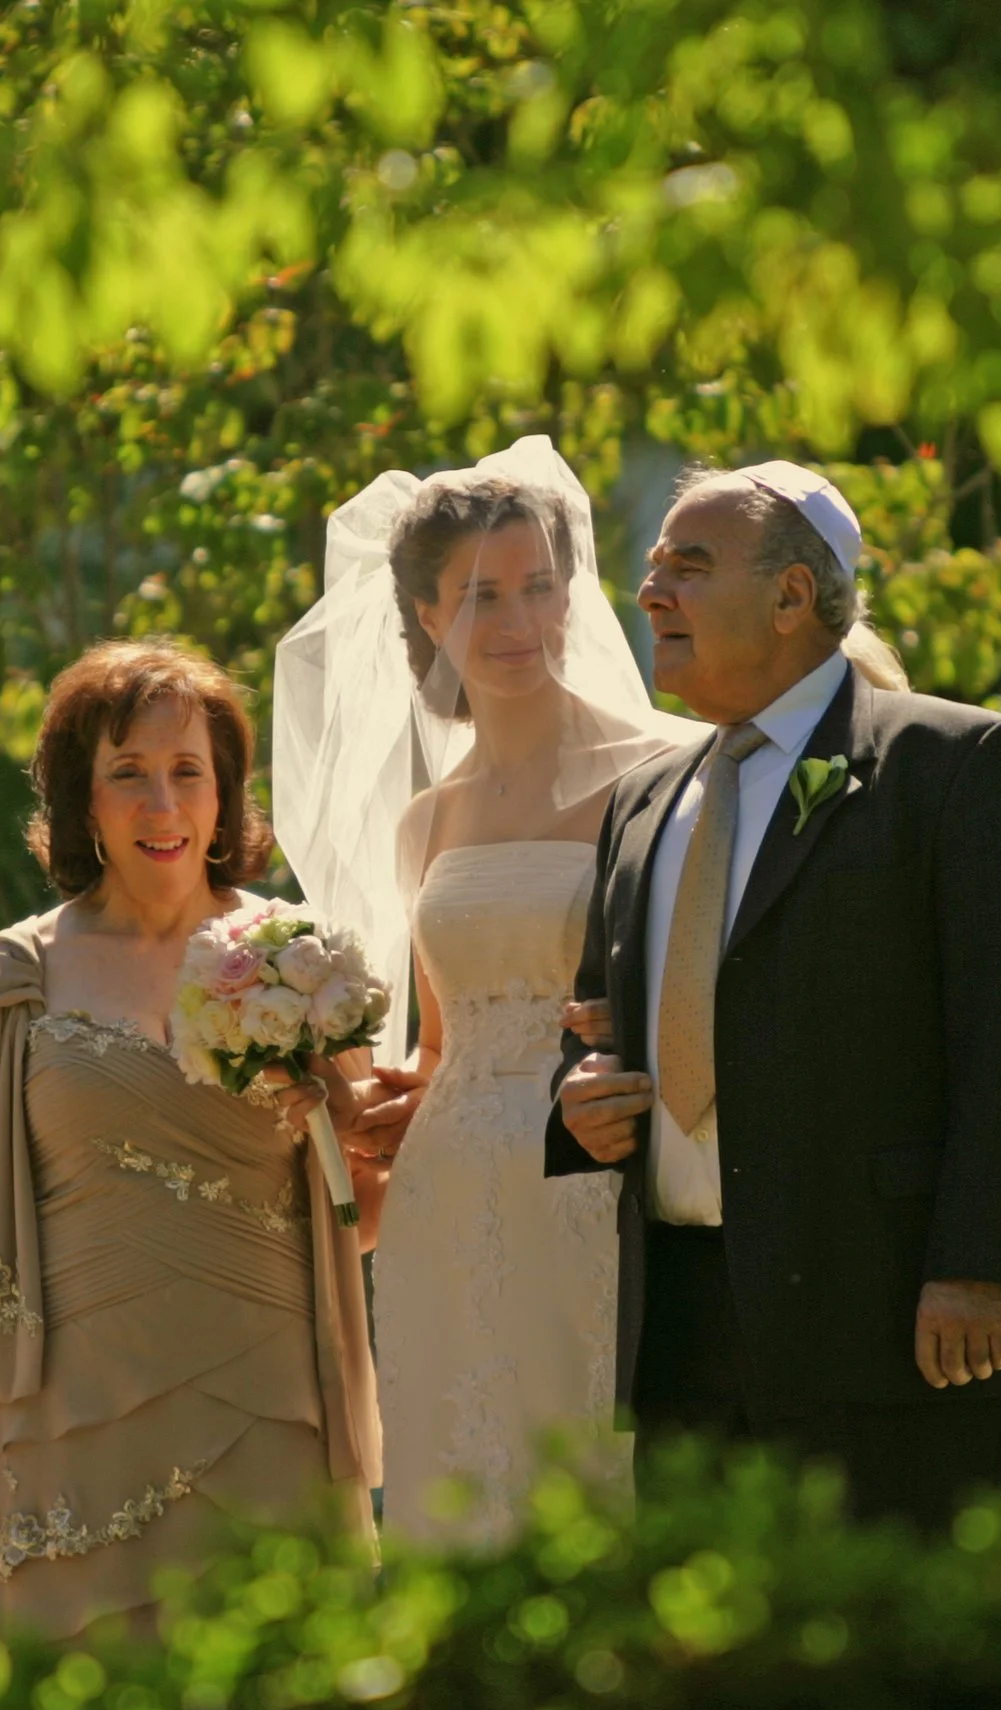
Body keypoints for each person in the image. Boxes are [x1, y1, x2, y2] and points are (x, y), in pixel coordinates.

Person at [545, 462, 1001, 1530]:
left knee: (892, 1666)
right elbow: (599, 1020)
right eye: (652, 568)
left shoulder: (957, 762)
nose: (650, 594)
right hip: (685, 1330)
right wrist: (578, 1099)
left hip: (890, 1321)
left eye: (687, 568)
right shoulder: (644, 800)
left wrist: (978, 1269)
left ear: (794, 596)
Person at [0, 638, 379, 1654]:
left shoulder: (298, 961)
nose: (161, 805)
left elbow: (360, 1206)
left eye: (186, 772)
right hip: (63, 1408)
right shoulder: (20, 974)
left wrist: (402, 1129)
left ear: (224, 794)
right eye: (128, 775)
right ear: (83, 799)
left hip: (269, 1398)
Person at [272, 437, 703, 1546]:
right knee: (459, 1485)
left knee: (594, 1486)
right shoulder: (426, 820)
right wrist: (357, 1104)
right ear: (422, 612)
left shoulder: (668, 770)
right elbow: (434, 1042)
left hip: (601, 1178)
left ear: (573, 590)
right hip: (446, 1195)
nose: (517, 622)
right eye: (479, 596)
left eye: (538, 587)